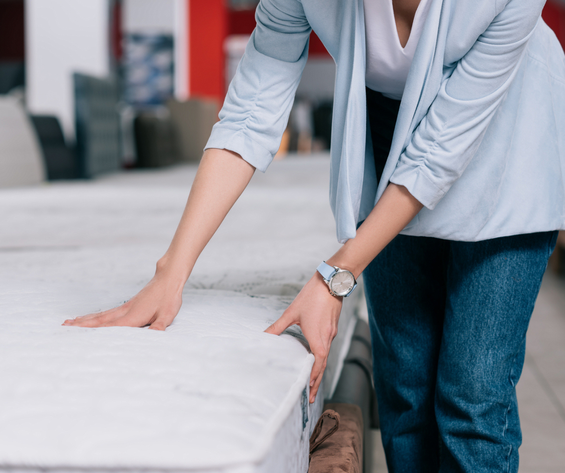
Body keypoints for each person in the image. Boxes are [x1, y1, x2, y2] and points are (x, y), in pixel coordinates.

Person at [64, 0, 565, 471]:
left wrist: (334, 277)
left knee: (471, 397)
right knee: (406, 386)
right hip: (389, 128)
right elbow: (248, 114)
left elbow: (438, 152)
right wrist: (171, 271)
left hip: (510, 128)